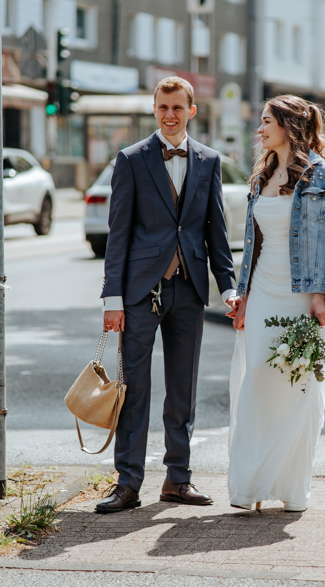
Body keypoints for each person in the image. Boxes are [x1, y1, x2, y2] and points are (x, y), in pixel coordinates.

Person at [96, 76, 238, 514]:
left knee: (182, 391)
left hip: (189, 290)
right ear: (154, 110)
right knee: (134, 389)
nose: (170, 115)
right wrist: (112, 300)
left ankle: (178, 479)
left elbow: (217, 232)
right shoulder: (131, 160)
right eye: (162, 107)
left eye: (178, 107)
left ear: (192, 110)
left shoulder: (209, 161)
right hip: (140, 294)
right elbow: (117, 234)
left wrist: (228, 285)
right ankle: (128, 483)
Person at [226, 95, 325, 512]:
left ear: (288, 125)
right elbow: (253, 245)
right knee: (259, 380)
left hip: (304, 296)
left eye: (266, 121)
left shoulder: (324, 176)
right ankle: (249, 485)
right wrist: (242, 297)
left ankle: (291, 487)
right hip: (263, 291)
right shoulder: (261, 175)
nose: (259, 129)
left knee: (300, 389)